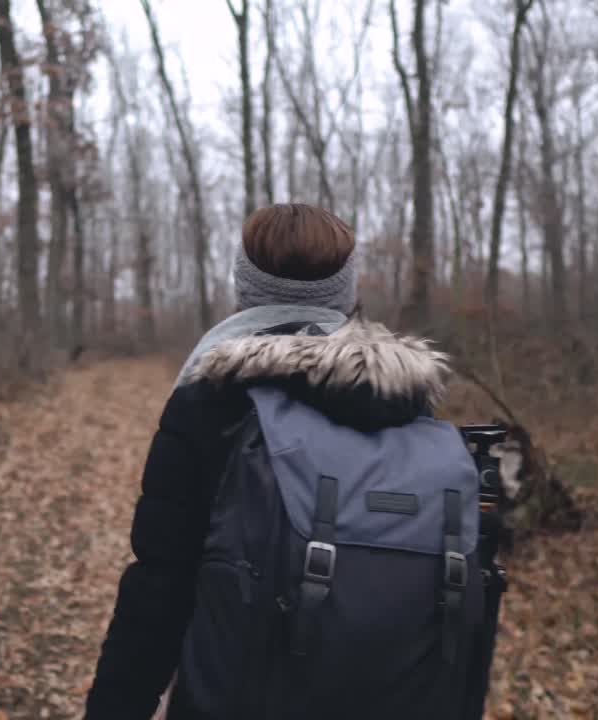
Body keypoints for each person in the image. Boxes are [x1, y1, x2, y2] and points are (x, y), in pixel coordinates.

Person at [84, 203, 466, 720]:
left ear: (245, 287)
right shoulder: (403, 399)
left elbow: (162, 582)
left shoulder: (211, 399)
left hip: (232, 692)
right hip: (386, 694)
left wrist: (116, 707)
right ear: (347, 291)